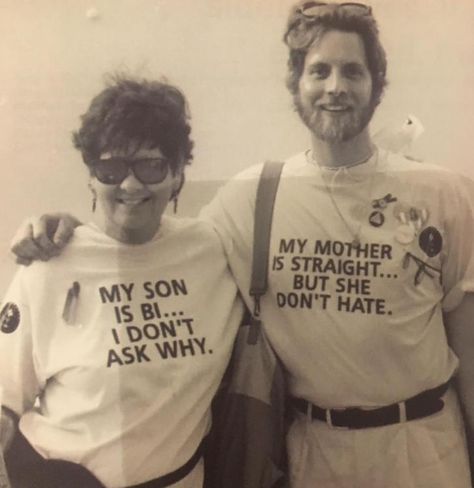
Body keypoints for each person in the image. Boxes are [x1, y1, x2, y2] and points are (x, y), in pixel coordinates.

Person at [9, 2, 474, 487]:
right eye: (319, 71)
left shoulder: (444, 194)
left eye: (352, 71)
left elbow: (468, 342)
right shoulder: (253, 197)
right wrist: (64, 233)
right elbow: (142, 238)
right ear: (296, 83)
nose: (335, 86)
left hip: (422, 446)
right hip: (311, 450)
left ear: (376, 83)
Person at [0, 74, 242, 487]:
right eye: (111, 168)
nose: (131, 185)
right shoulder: (48, 265)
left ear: (178, 173)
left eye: (151, 166)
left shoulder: (214, 250)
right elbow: (5, 404)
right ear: (92, 177)